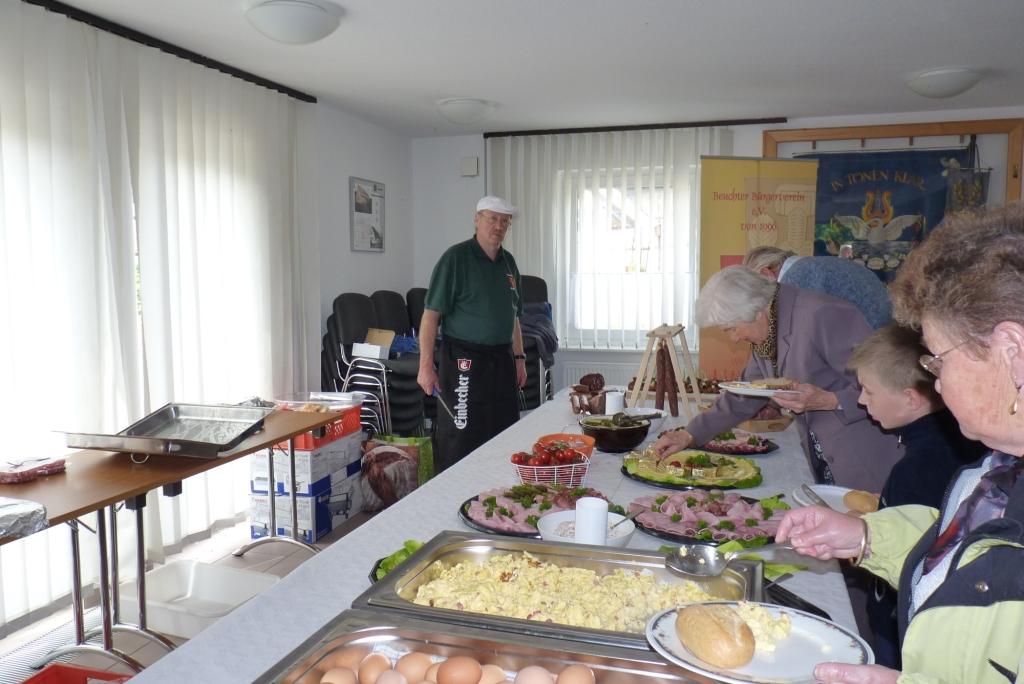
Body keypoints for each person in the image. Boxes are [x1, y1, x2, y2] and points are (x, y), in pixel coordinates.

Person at [775, 203, 1024, 684]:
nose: (936, 382)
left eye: (938, 360)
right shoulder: (996, 467)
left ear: (1012, 354)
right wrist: (866, 537)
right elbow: (968, 552)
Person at [653, 266, 901, 493]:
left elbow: (888, 383)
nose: (734, 339)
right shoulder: (768, 330)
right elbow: (742, 397)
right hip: (823, 457)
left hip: (864, 458)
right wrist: (688, 435)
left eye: (731, 329)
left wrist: (829, 400)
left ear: (756, 312)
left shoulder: (823, 314)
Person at [846, 323, 986, 668]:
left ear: (910, 398)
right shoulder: (951, 444)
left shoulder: (918, 467)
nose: (861, 400)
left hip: (903, 626)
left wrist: (861, 533)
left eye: (868, 391)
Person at [417, 196, 528, 472]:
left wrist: (519, 358)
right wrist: (425, 366)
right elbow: (430, 317)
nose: (498, 226)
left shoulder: (509, 264)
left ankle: (498, 491)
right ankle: (451, 496)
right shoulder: (455, 258)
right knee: (461, 434)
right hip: (463, 362)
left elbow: (513, 315)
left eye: (505, 221)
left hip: (501, 361)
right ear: (477, 219)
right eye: (492, 218)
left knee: (504, 431)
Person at [743, 246, 892, 329]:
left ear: (766, 273)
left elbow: (802, 345)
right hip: (880, 342)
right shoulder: (811, 266)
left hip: (868, 353)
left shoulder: (795, 279)